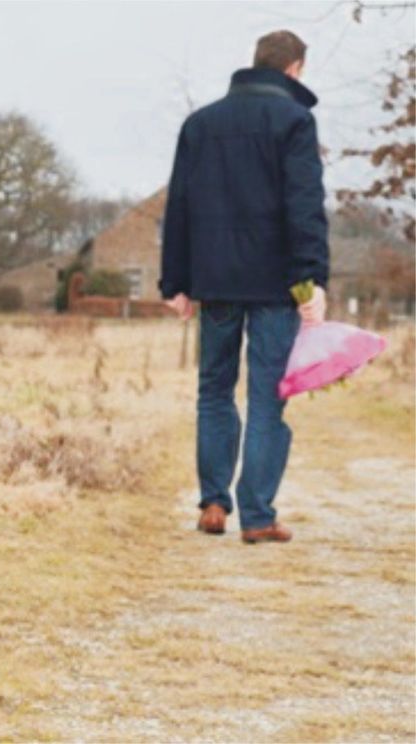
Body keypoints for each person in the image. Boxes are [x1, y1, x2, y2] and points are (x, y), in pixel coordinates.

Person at [159, 30, 329, 544]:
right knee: (265, 399)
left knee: (213, 391)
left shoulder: (201, 124)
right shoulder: (295, 121)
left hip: (214, 282)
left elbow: (179, 207)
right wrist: (311, 280)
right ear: (295, 69)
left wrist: (176, 282)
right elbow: (304, 207)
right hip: (277, 285)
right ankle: (256, 515)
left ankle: (213, 502)